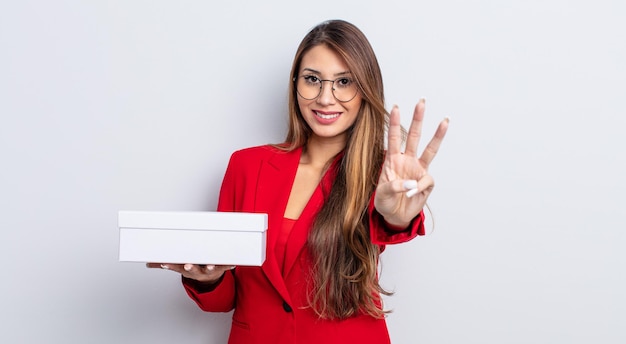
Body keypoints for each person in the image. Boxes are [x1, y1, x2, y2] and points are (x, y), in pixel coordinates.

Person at [148, 19, 449, 343]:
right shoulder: (245, 166)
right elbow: (227, 300)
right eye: (312, 80)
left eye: (343, 81)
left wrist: (397, 216)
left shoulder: (382, 174)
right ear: (295, 84)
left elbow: (391, 222)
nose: (325, 97)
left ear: (365, 89)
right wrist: (208, 279)